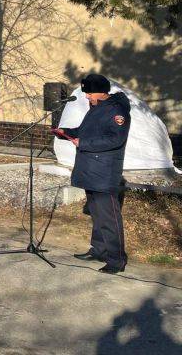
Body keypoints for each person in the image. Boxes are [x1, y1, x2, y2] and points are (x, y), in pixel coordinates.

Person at [61, 74, 131, 274]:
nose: (87, 97)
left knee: (109, 218)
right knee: (97, 214)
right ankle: (98, 250)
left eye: (89, 93)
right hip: (91, 169)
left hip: (104, 172)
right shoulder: (96, 109)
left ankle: (117, 260)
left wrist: (84, 143)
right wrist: (67, 132)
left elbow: (114, 140)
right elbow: (86, 132)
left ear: (102, 91)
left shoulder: (117, 111)